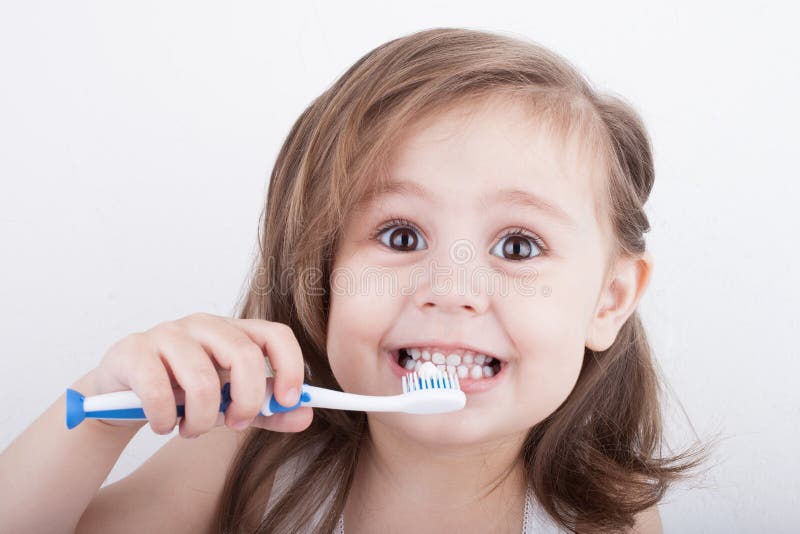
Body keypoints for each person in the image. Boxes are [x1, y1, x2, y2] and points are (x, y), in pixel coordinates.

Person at [0, 27, 710, 533]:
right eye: (401, 236)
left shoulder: (599, 514)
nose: (450, 287)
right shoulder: (251, 460)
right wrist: (99, 409)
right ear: (325, 278)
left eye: (519, 246)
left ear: (609, 300)